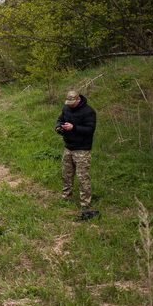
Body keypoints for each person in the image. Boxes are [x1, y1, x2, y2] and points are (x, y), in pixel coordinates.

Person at [56, 89, 97, 220]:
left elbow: (90, 129)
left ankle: (85, 203)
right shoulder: (66, 108)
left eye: (73, 103)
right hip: (68, 147)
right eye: (69, 103)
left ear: (79, 99)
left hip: (82, 149)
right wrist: (59, 127)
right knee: (66, 174)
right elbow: (60, 119)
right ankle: (66, 197)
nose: (70, 105)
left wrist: (74, 128)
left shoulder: (88, 112)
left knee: (82, 177)